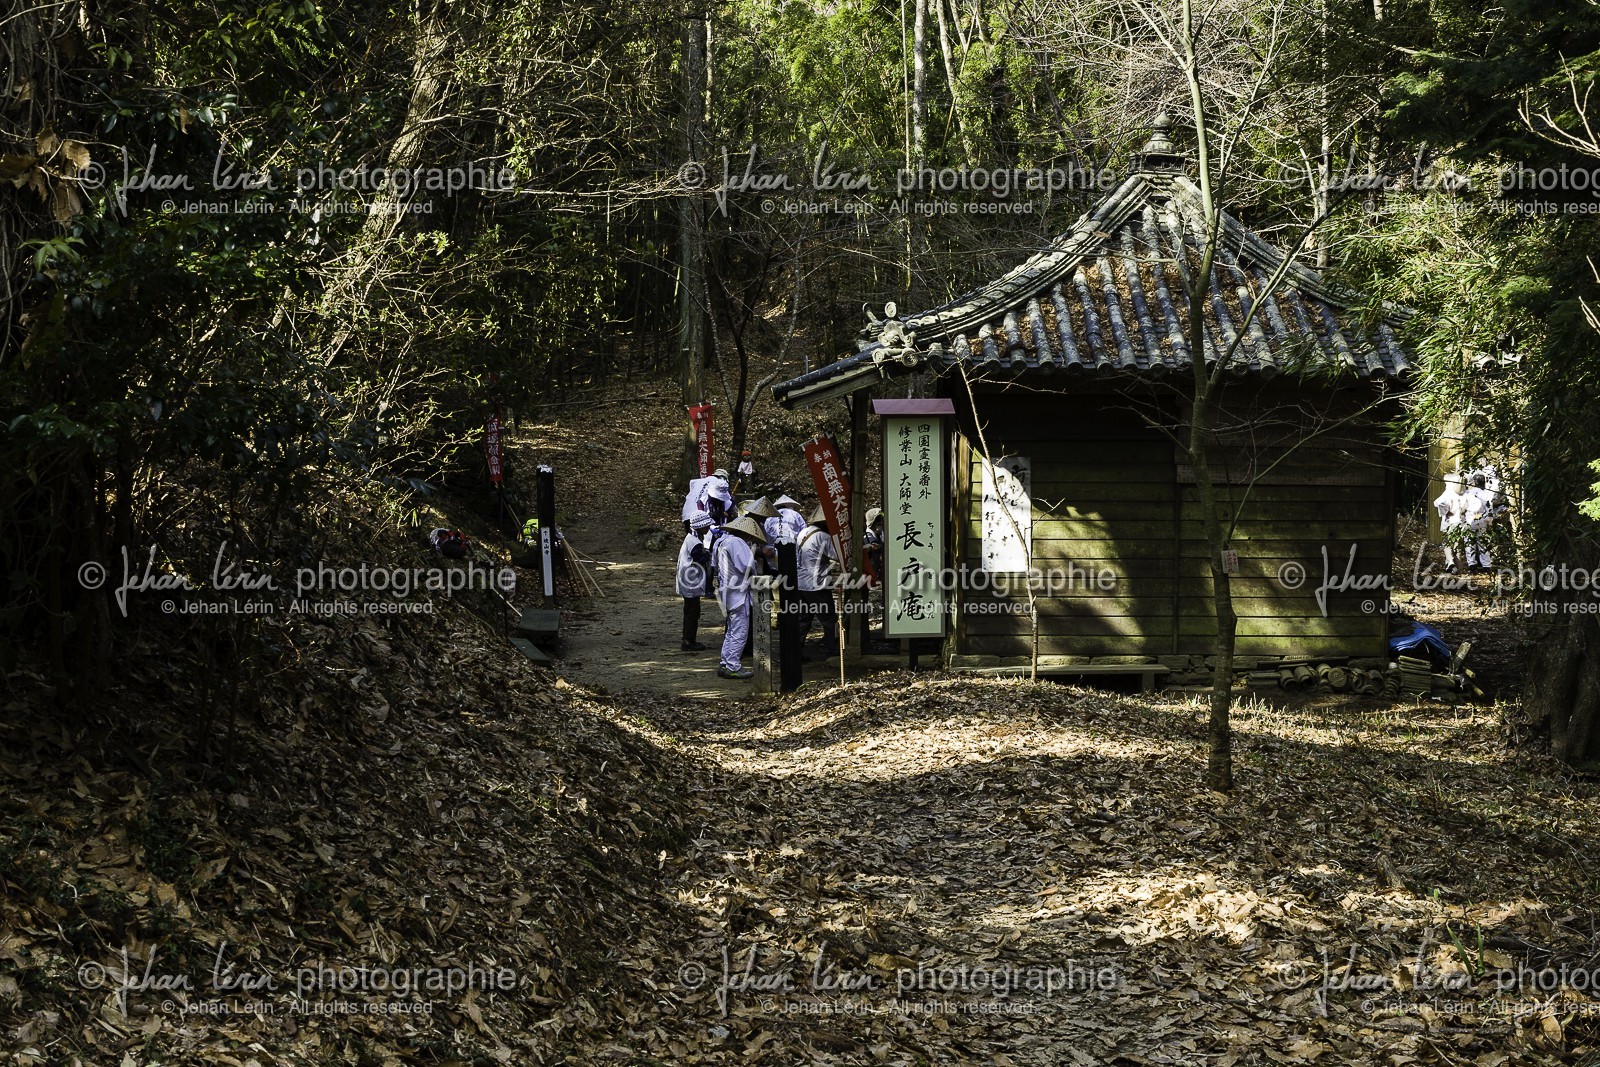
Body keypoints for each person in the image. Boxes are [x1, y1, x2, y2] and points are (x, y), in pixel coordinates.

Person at [713, 516, 768, 679]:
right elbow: (746, 565)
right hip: (737, 592)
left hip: (727, 590)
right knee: (739, 630)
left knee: (731, 629)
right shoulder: (737, 543)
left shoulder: (722, 541)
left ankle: (725, 662)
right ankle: (732, 665)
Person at [796, 508, 840, 655]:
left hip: (800, 582)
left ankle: (796, 652)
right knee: (829, 619)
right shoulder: (824, 537)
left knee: (803, 619)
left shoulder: (803, 532)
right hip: (816, 584)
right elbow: (837, 556)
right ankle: (833, 649)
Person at [676, 519, 713, 651]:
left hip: (687, 579)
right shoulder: (695, 542)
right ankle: (688, 641)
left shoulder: (691, 538)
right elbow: (700, 558)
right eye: (706, 526)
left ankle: (688, 639)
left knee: (690, 610)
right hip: (690, 580)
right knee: (692, 611)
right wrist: (708, 554)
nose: (708, 527)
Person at [1433, 474, 1470, 574]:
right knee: (1458, 546)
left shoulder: (1448, 493)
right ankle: (1457, 569)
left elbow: (1437, 503)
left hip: (1450, 522)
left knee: (1447, 543)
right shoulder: (1466, 493)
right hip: (1462, 523)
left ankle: (1450, 562)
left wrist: (1445, 510)